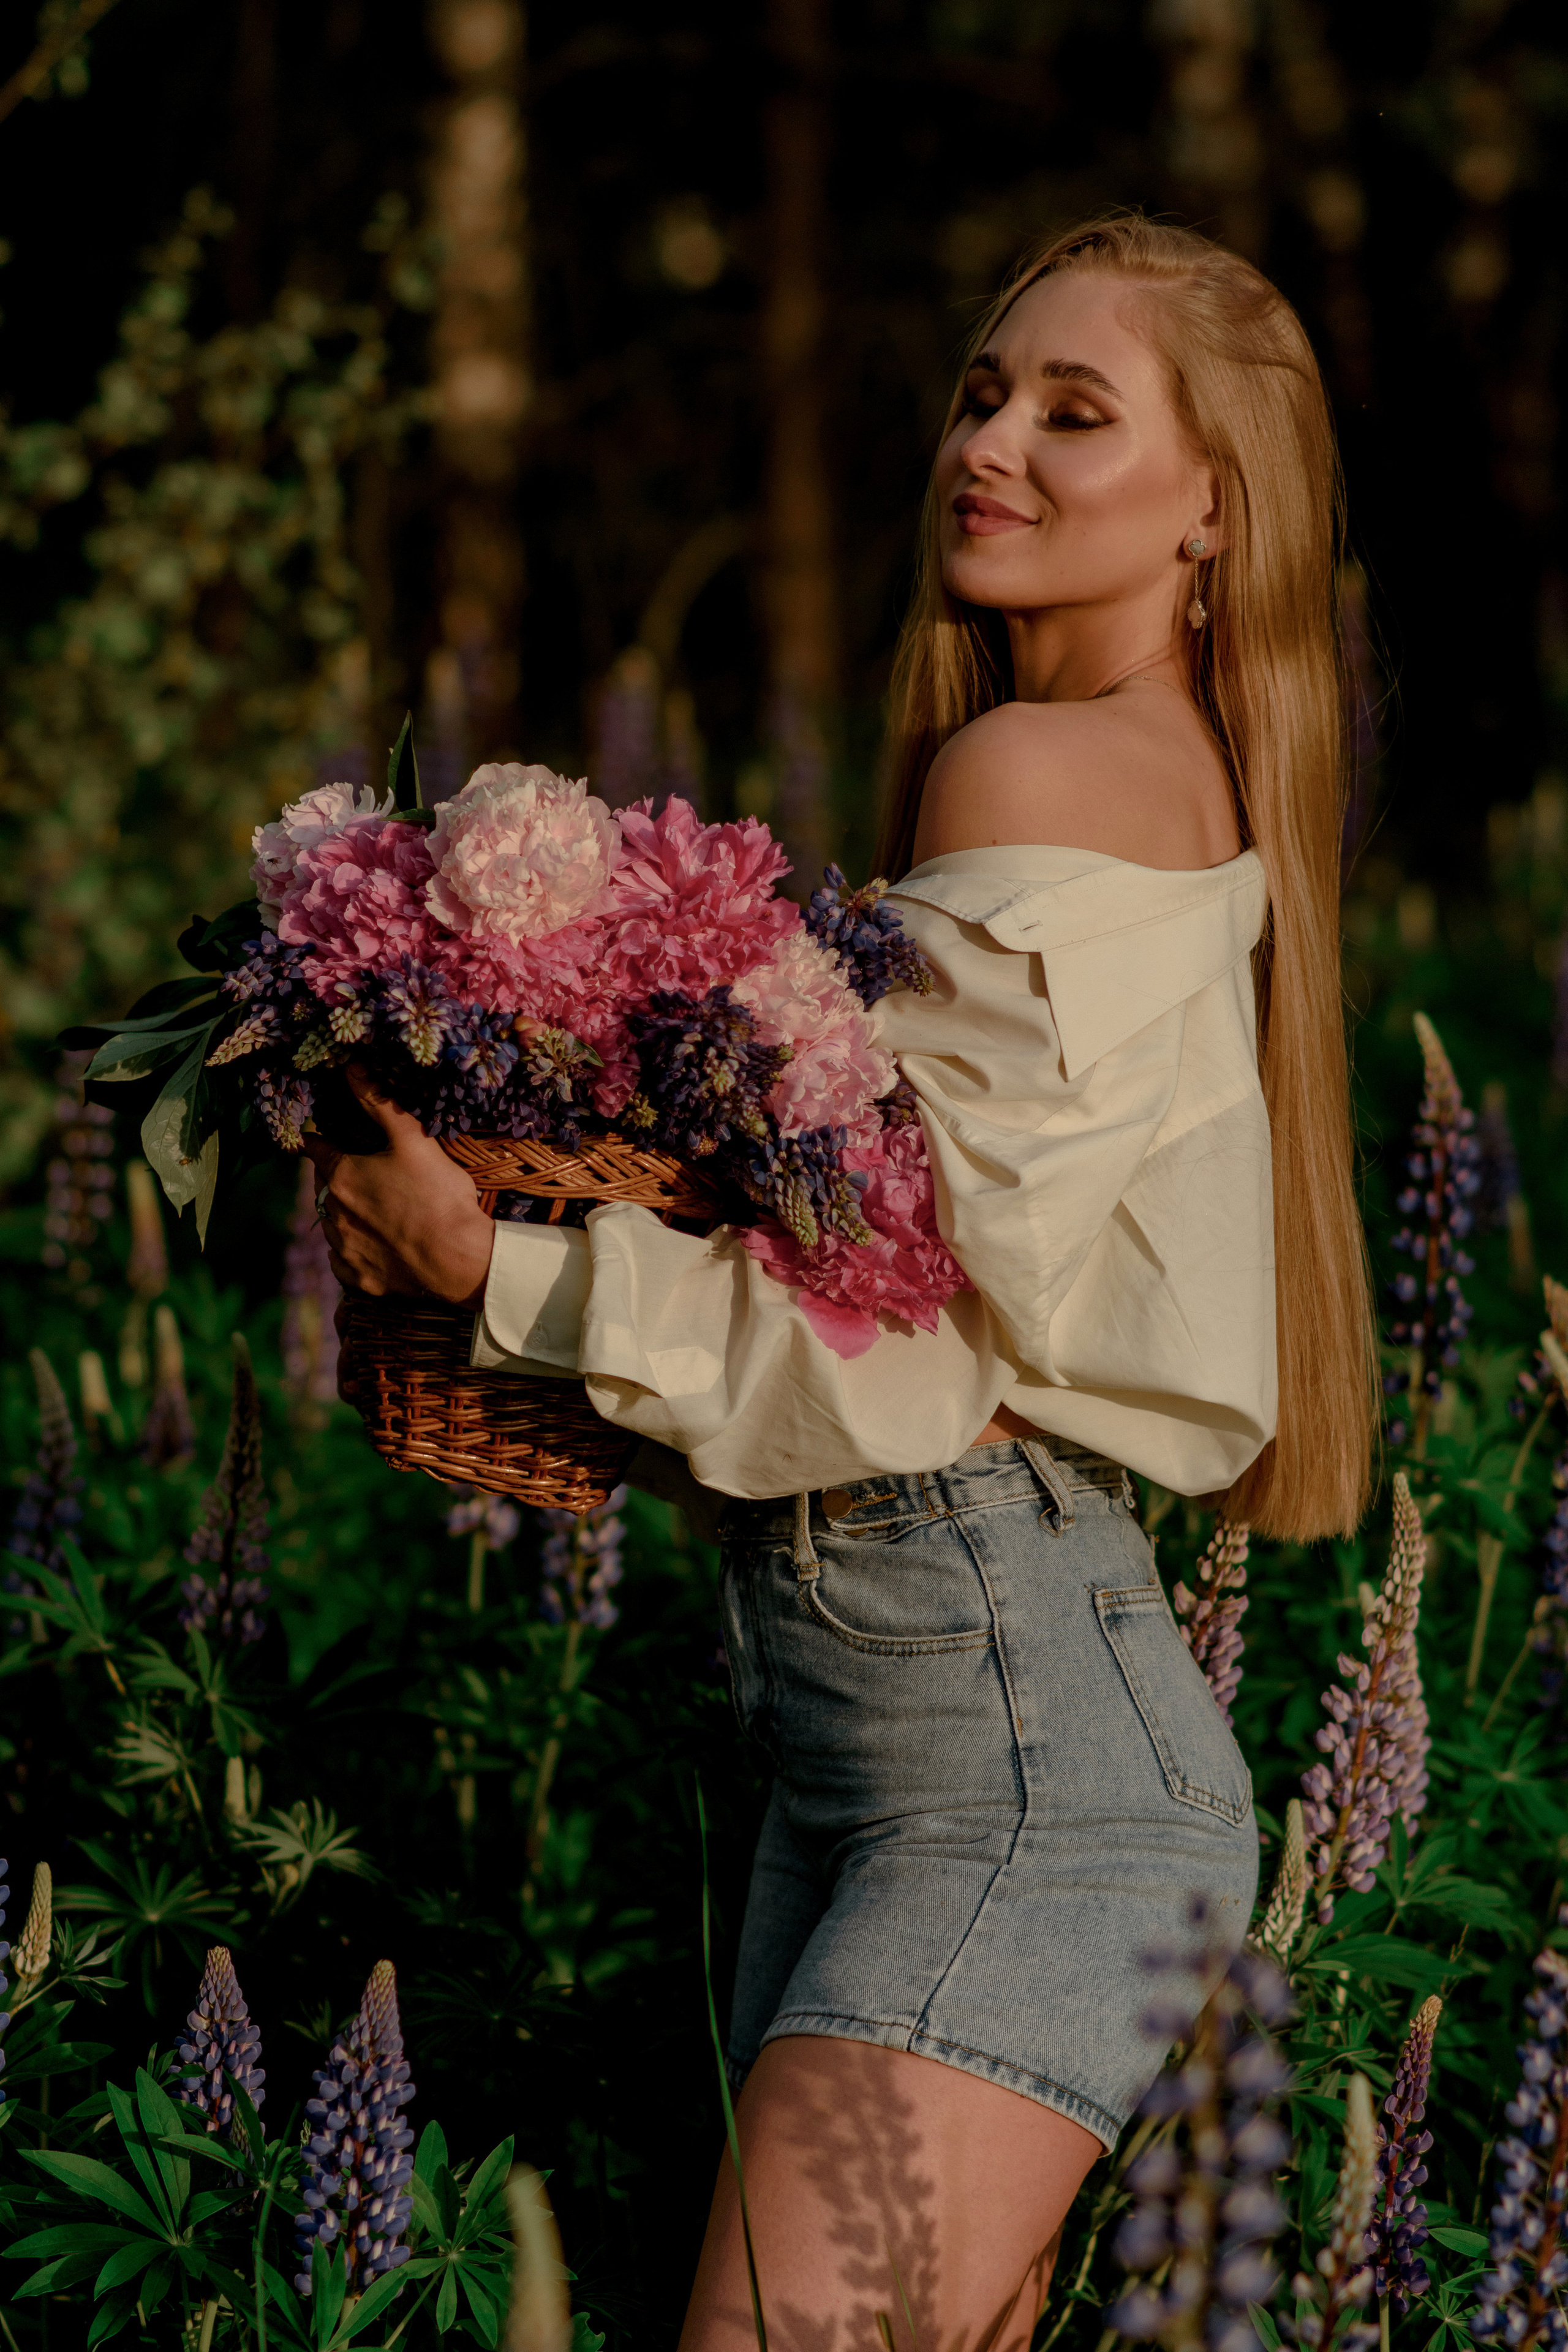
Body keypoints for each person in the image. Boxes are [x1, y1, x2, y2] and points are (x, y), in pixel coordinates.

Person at [306, 214, 1377, 2351]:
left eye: (1081, 413)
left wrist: (494, 1261)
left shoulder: (1045, 775)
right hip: (910, 1736)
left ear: (1210, 511)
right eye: (988, 392)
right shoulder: (1153, 782)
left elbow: (896, 1347)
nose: (995, 442)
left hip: (1009, 1771)